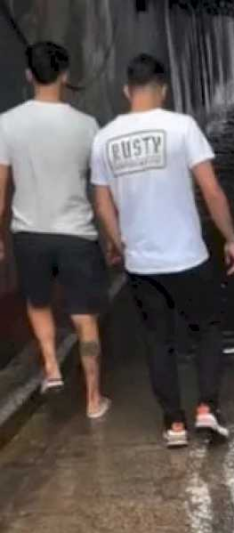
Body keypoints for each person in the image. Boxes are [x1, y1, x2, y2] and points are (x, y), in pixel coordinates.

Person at [91, 54, 234, 448]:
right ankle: (207, 408)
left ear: (127, 91)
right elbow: (210, 190)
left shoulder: (104, 138)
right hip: (188, 257)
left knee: (159, 341)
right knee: (206, 328)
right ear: (164, 90)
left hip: (142, 264)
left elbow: (103, 203)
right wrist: (230, 237)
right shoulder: (181, 127)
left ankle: (174, 424)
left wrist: (118, 241)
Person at [0, 42, 111, 419]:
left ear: (29, 75)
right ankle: (94, 399)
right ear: (65, 76)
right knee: (84, 316)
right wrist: (114, 236)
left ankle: (51, 367)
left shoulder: (7, 123)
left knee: (38, 302)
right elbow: (101, 191)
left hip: (29, 233)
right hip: (77, 235)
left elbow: (0, 189)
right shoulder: (87, 126)